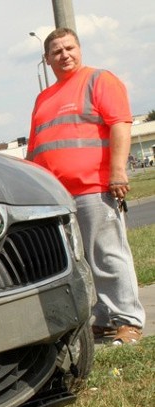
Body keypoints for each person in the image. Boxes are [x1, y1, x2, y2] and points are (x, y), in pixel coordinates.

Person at [26, 27, 145, 345]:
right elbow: (35, 150)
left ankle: (127, 320)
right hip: (59, 197)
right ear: (47, 59)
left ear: (79, 50)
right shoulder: (43, 98)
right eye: (56, 51)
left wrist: (118, 172)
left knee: (108, 255)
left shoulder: (98, 80)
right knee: (81, 263)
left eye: (69, 48)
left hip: (95, 187)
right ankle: (103, 320)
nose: (64, 55)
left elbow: (120, 123)